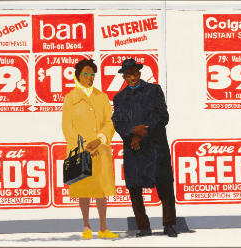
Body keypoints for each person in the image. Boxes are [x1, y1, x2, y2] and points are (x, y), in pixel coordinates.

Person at [111, 58, 178, 238]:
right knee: (134, 189)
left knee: (165, 187)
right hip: (134, 150)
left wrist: (141, 133)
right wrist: (132, 131)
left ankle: (170, 225)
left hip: (155, 147)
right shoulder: (119, 98)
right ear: (123, 77)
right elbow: (117, 122)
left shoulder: (154, 90)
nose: (132, 77)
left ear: (139, 73)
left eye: (134, 73)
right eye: (128, 74)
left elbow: (162, 116)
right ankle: (143, 227)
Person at [61, 59, 118, 239]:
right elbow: (67, 126)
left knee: (101, 191)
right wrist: (82, 147)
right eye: (86, 74)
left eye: (92, 74)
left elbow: (110, 122)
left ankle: (103, 227)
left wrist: (100, 139)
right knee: (83, 189)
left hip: (101, 150)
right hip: (81, 152)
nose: (89, 77)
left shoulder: (102, 97)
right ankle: (86, 226)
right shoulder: (70, 98)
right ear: (78, 75)